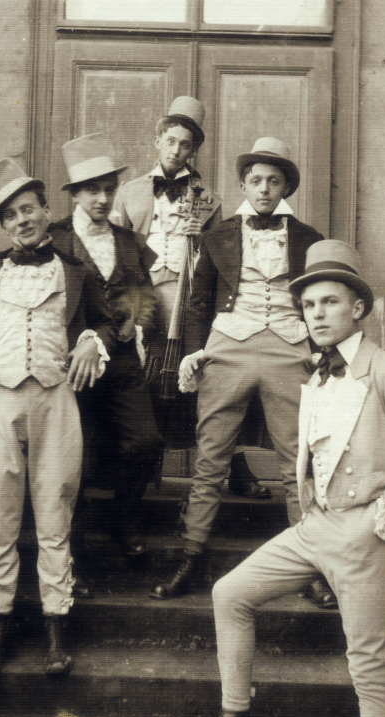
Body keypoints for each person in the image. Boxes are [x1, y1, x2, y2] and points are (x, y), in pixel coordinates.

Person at [168, 239, 385, 717]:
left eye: (330, 302)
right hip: (314, 527)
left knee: (369, 669)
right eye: (308, 305)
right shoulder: (315, 372)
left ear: (358, 307)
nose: (317, 314)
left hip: (367, 535)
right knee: (230, 593)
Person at [0, 158, 116, 676]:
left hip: (56, 402)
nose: (22, 220)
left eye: (28, 209)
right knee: (0, 517)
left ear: (45, 210)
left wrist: (92, 341)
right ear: (3, 225)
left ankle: (56, 628)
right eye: (10, 215)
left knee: (55, 513)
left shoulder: (76, 270)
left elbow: (108, 321)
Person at [150, 137, 324, 600]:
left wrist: (318, 351)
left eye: (273, 181)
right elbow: (197, 303)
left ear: (285, 187)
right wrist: (194, 353)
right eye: (256, 180)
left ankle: (311, 567)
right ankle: (192, 555)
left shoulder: (309, 238)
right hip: (228, 345)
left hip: (289, 347)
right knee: (210, 460)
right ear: (243, 185)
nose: (264, 189)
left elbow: (319, 300)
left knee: (297, 463)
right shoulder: (219, 235)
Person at [112, 96, 269, 497]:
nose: (176, 150)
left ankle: (234, 466)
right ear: (157, 141)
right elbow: (116, 251)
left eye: (185, 144)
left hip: (189, 299)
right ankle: (144, 469)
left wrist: (199, 244)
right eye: (170, 141)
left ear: (193, 150)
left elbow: (219, 261)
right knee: (142, 378)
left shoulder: (207, 198)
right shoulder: (129, 192)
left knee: (206, 378)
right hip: (142, 297)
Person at [50, 133, 164, 581]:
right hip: (70, 364)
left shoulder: (128, 240)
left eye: (109, 189)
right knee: (71, 452)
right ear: (75, 195)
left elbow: (146, 298)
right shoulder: (54, 238)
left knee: (146, 441)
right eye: (92, 190)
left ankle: (124, 515)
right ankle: (71, 539)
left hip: (121, 360)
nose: (102, 198)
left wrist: (137, 322)